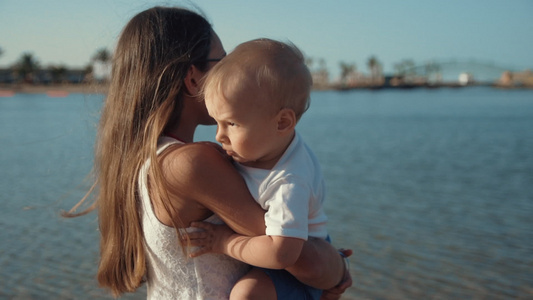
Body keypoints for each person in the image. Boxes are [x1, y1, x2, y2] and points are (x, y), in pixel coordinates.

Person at [64, 6, 351, 300]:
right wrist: (338, 266)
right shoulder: (193, 164)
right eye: (223, 61)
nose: (233, 70)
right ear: (193, 79)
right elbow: (304, 260)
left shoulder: (141, 160)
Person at [187, 38, 334, 300]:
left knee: (247, 295)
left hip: (297, 267)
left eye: (231, 123)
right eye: (217, 123)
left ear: (282, 123)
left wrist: (225, 243)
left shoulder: (289, 181)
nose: (219, 135)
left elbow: (282, 253)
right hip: (274, 255)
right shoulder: (264, 146)